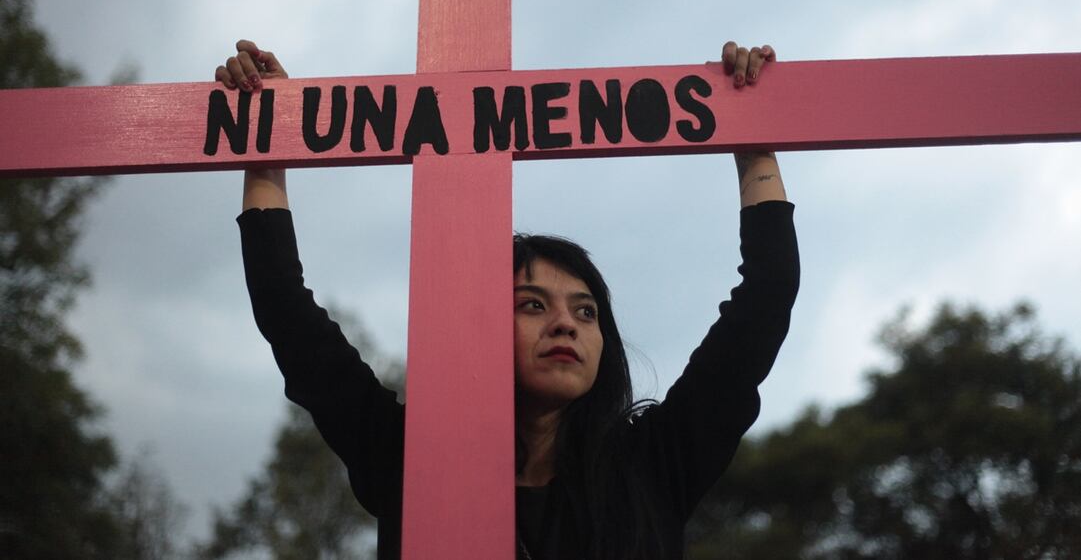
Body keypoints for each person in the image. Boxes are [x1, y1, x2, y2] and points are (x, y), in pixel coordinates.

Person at [221, 40, 799, 559]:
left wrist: (752, 145)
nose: (566, 325)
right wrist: (268, 136)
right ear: (476, 328)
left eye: (586, 311)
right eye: (532, 304)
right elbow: (286, 310)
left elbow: (765, 297)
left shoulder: (655, 463)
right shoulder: (410, 459)